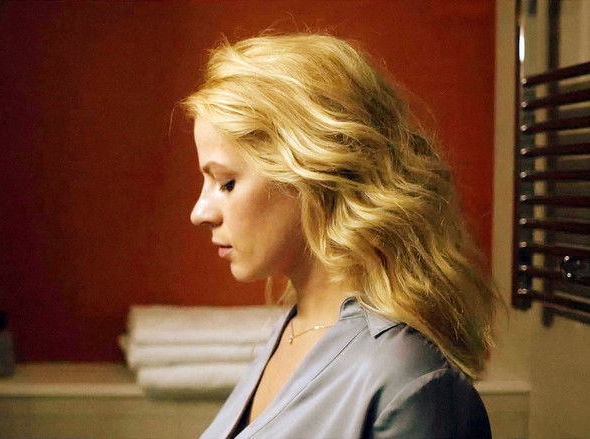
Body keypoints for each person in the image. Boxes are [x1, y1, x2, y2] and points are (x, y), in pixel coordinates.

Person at [182, 32, 500, 438]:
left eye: (226, 183)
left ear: (314, 174)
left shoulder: (408, 382)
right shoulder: (294, 328)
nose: (200, 213)